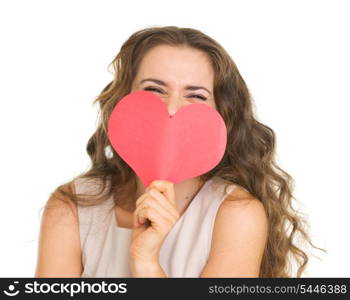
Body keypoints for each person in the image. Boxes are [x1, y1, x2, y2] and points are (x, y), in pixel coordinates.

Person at [35, 26, 323, 278]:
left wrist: (146, 263)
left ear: (221, 113)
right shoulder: (71, 206)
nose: (171, 109)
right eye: (154, 89)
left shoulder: (237, 215)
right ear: (123, 99)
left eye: (196, 95)